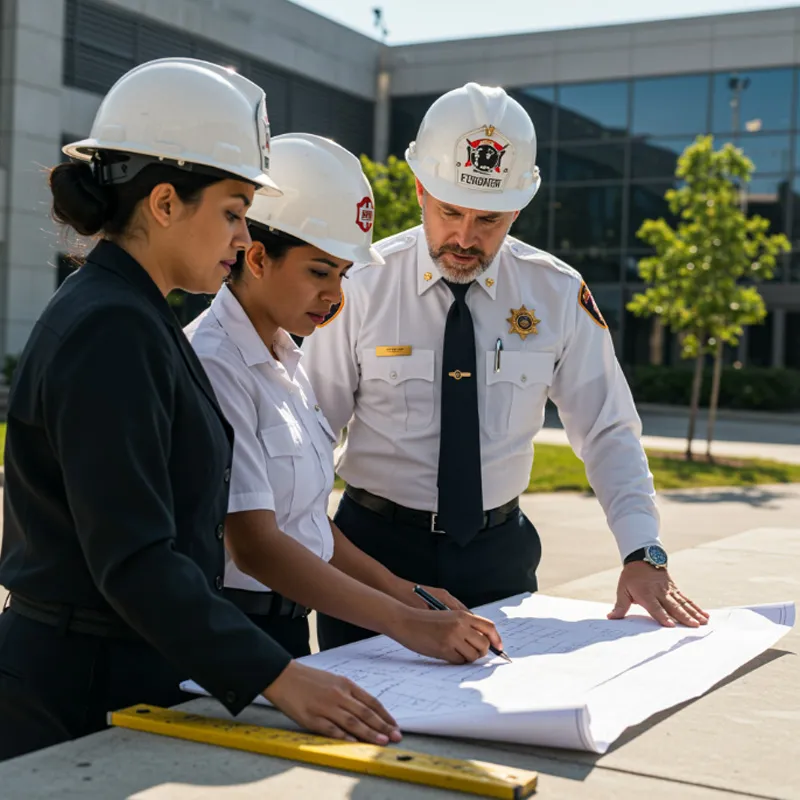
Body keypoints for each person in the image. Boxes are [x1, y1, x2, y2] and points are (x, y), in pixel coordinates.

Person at [0, 57, 401, 762]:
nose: (244, 239)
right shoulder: (112, 328)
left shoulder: (133, 313)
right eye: (233, 212)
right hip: (77, 692)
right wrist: (279, 677)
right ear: (163, 203)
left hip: (115, 670)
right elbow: (133, 557)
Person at [302, 82, 710, 652]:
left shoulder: (556, 293)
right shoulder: (361, 285)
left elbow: (608, 428)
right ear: (420, 190)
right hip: (374, 554)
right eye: (449, 211)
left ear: (518, 208)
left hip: (499, 560)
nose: (465, 237)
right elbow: (310, 433)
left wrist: (643, 550)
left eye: (489, 219)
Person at [185, 131, 503, 662]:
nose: (336, 295)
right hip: (228, 635)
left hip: (284, 631)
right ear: (257, 257)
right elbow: (255, 546)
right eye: (319, 272)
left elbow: (306, 525)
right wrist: (404, 623)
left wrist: (407, 593)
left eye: (343, 275)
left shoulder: (285, 361)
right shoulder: (216, 364)